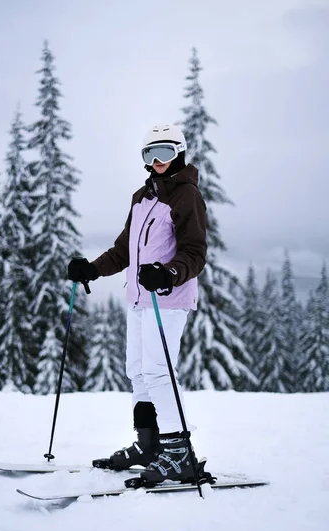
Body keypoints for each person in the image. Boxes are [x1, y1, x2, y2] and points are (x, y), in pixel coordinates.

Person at [68, 124, 208, 486]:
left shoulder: (186, 195)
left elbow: (195, 252)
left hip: (168, 299)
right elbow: (123, 250)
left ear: (179, 151)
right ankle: (150, 445)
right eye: (150, 154)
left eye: (164, 152)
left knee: (159, 372)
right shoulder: (142, 197)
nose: (157, 161)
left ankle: (179, 454)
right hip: (138, 298)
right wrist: (92, 270)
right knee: (139, 372)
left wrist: (168, 273)